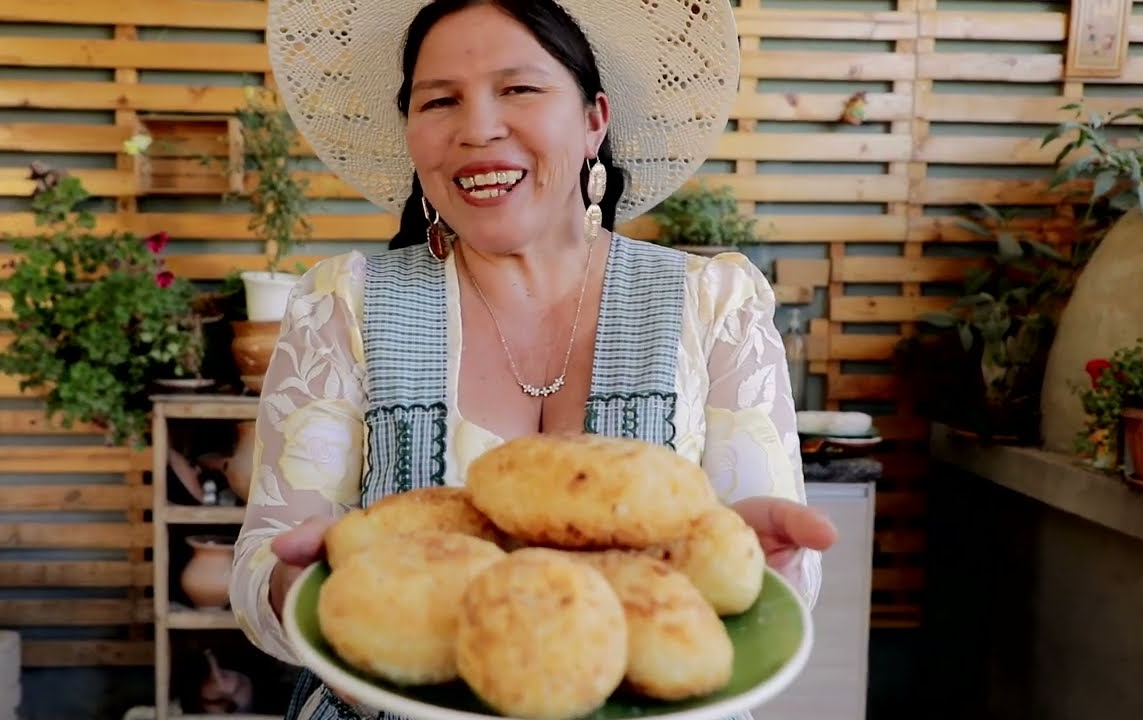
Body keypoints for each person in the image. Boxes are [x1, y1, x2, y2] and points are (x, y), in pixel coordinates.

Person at [231, 1, 839, 719]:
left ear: (593, 120)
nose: (477, 128)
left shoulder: (712, 306)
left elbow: (765, 591)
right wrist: (296, 589)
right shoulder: (342, 306)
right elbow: (261, 570)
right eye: (440, 100)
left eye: (518, 89)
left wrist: (761, 563)